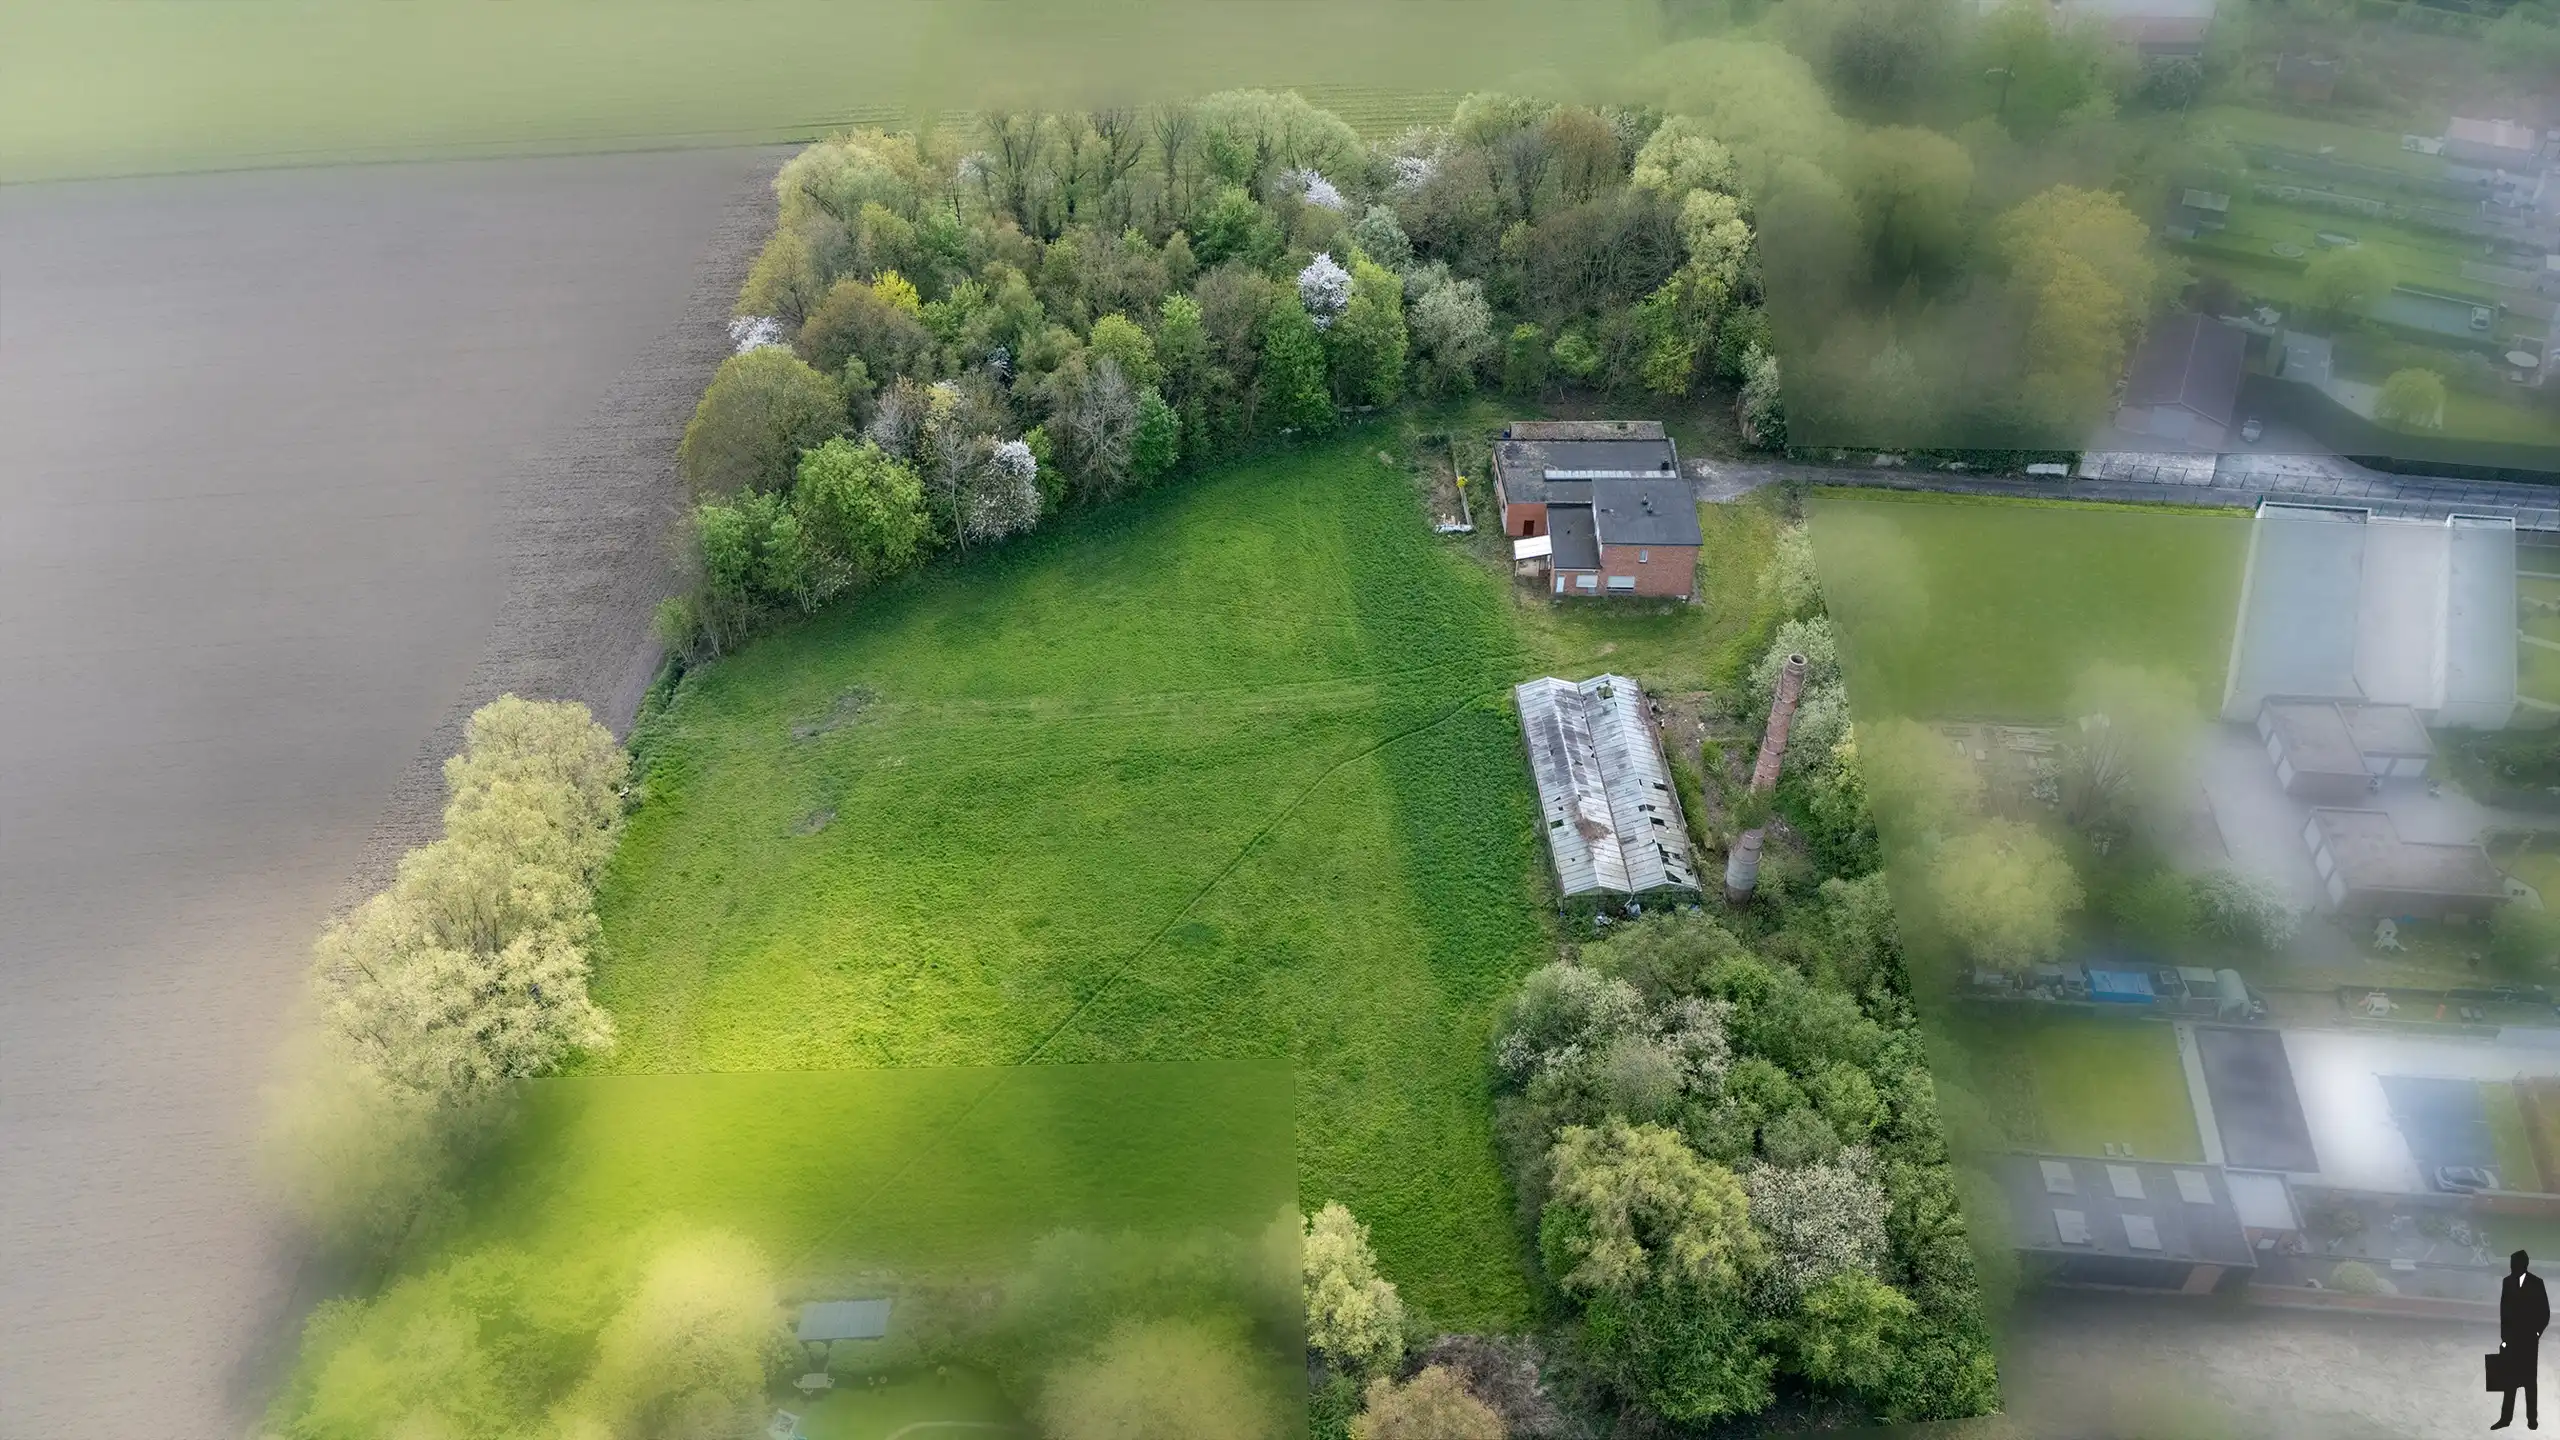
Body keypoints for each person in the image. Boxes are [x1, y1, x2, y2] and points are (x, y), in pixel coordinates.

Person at [2501, 1249, 2550, 1429]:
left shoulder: (2537, 1283)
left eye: (2514, 1264)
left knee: (2529, 1381)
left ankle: (2532, 1419)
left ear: (2523, 1264)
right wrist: (2504, 1338)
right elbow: (2504, 1312)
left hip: (2529, 1340)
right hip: (2512, 1340)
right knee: (2509, 1380)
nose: (2511, 1267)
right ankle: (2506, 1418)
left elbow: (2545, 1312)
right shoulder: (2507, 1282)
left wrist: (2537, 1333)